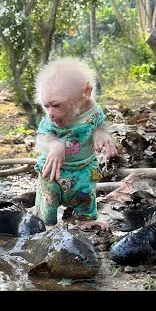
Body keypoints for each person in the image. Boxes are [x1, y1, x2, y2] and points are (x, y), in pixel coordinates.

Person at [32, 57, 118, 231]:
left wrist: (101, 135)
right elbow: (42, 137)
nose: (50, 114)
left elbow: (99, 126)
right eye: (46, 106)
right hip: (55, 169)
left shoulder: (93, 112)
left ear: (85, 93)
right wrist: (55, 145)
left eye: (56, 105)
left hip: (83, 168)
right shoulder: (51, 121)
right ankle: (45, 225)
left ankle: (84, 219)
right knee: (48, 195)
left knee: (85, 193)